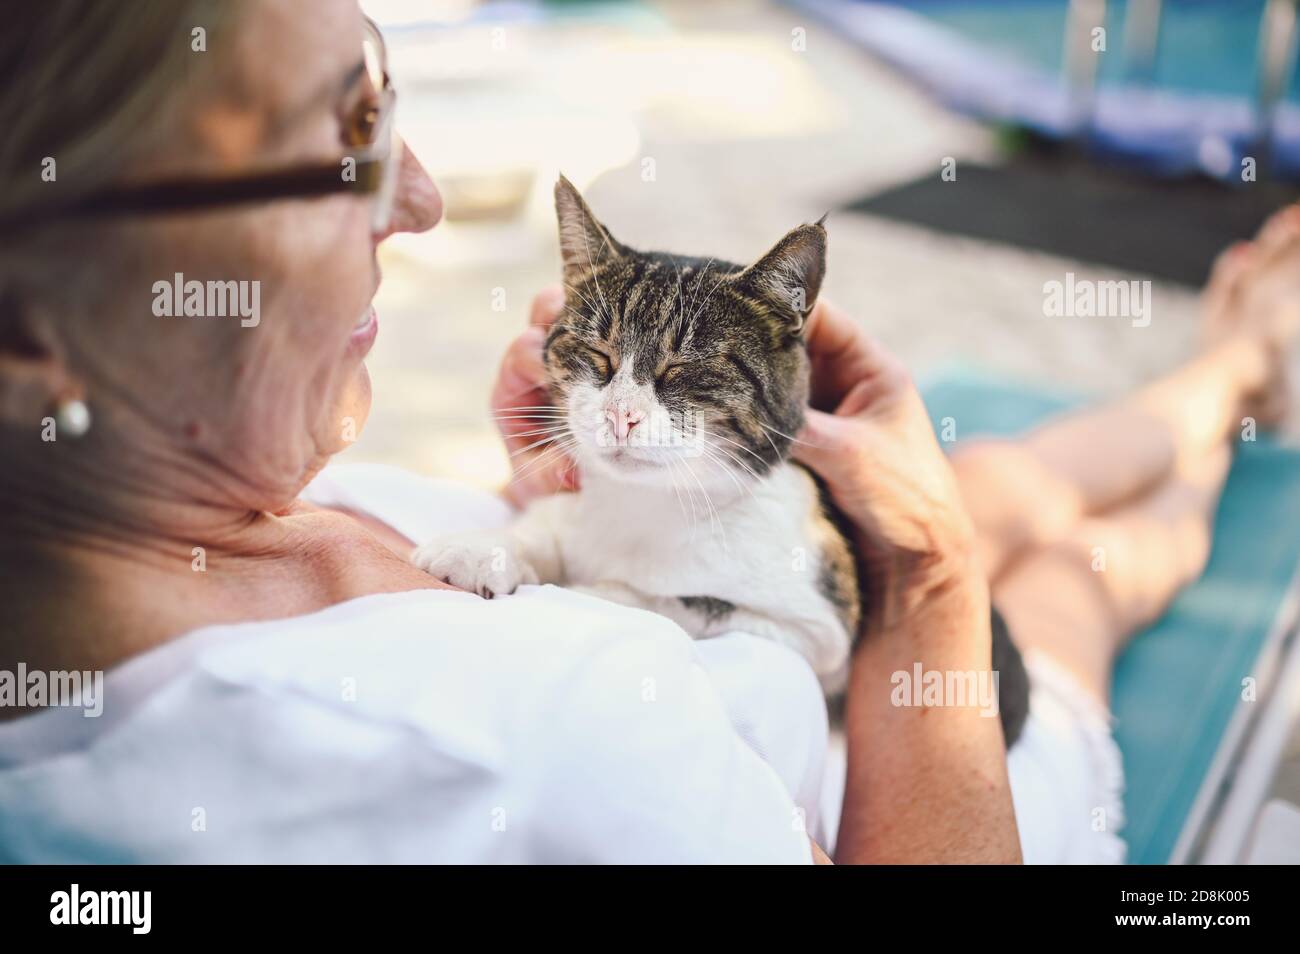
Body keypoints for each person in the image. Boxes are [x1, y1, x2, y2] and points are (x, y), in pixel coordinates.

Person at [1, 0, 1295, 863]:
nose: (424, 196)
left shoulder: (181, 512)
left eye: (389, 106)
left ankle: (1227, 367)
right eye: (344, 138)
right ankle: (1231, 405)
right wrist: (940, 574)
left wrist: (564, 508)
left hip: (752, 581)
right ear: (31, 329)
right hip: (945, 762)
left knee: (999, 475)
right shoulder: (546, 742)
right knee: (1073, 577)